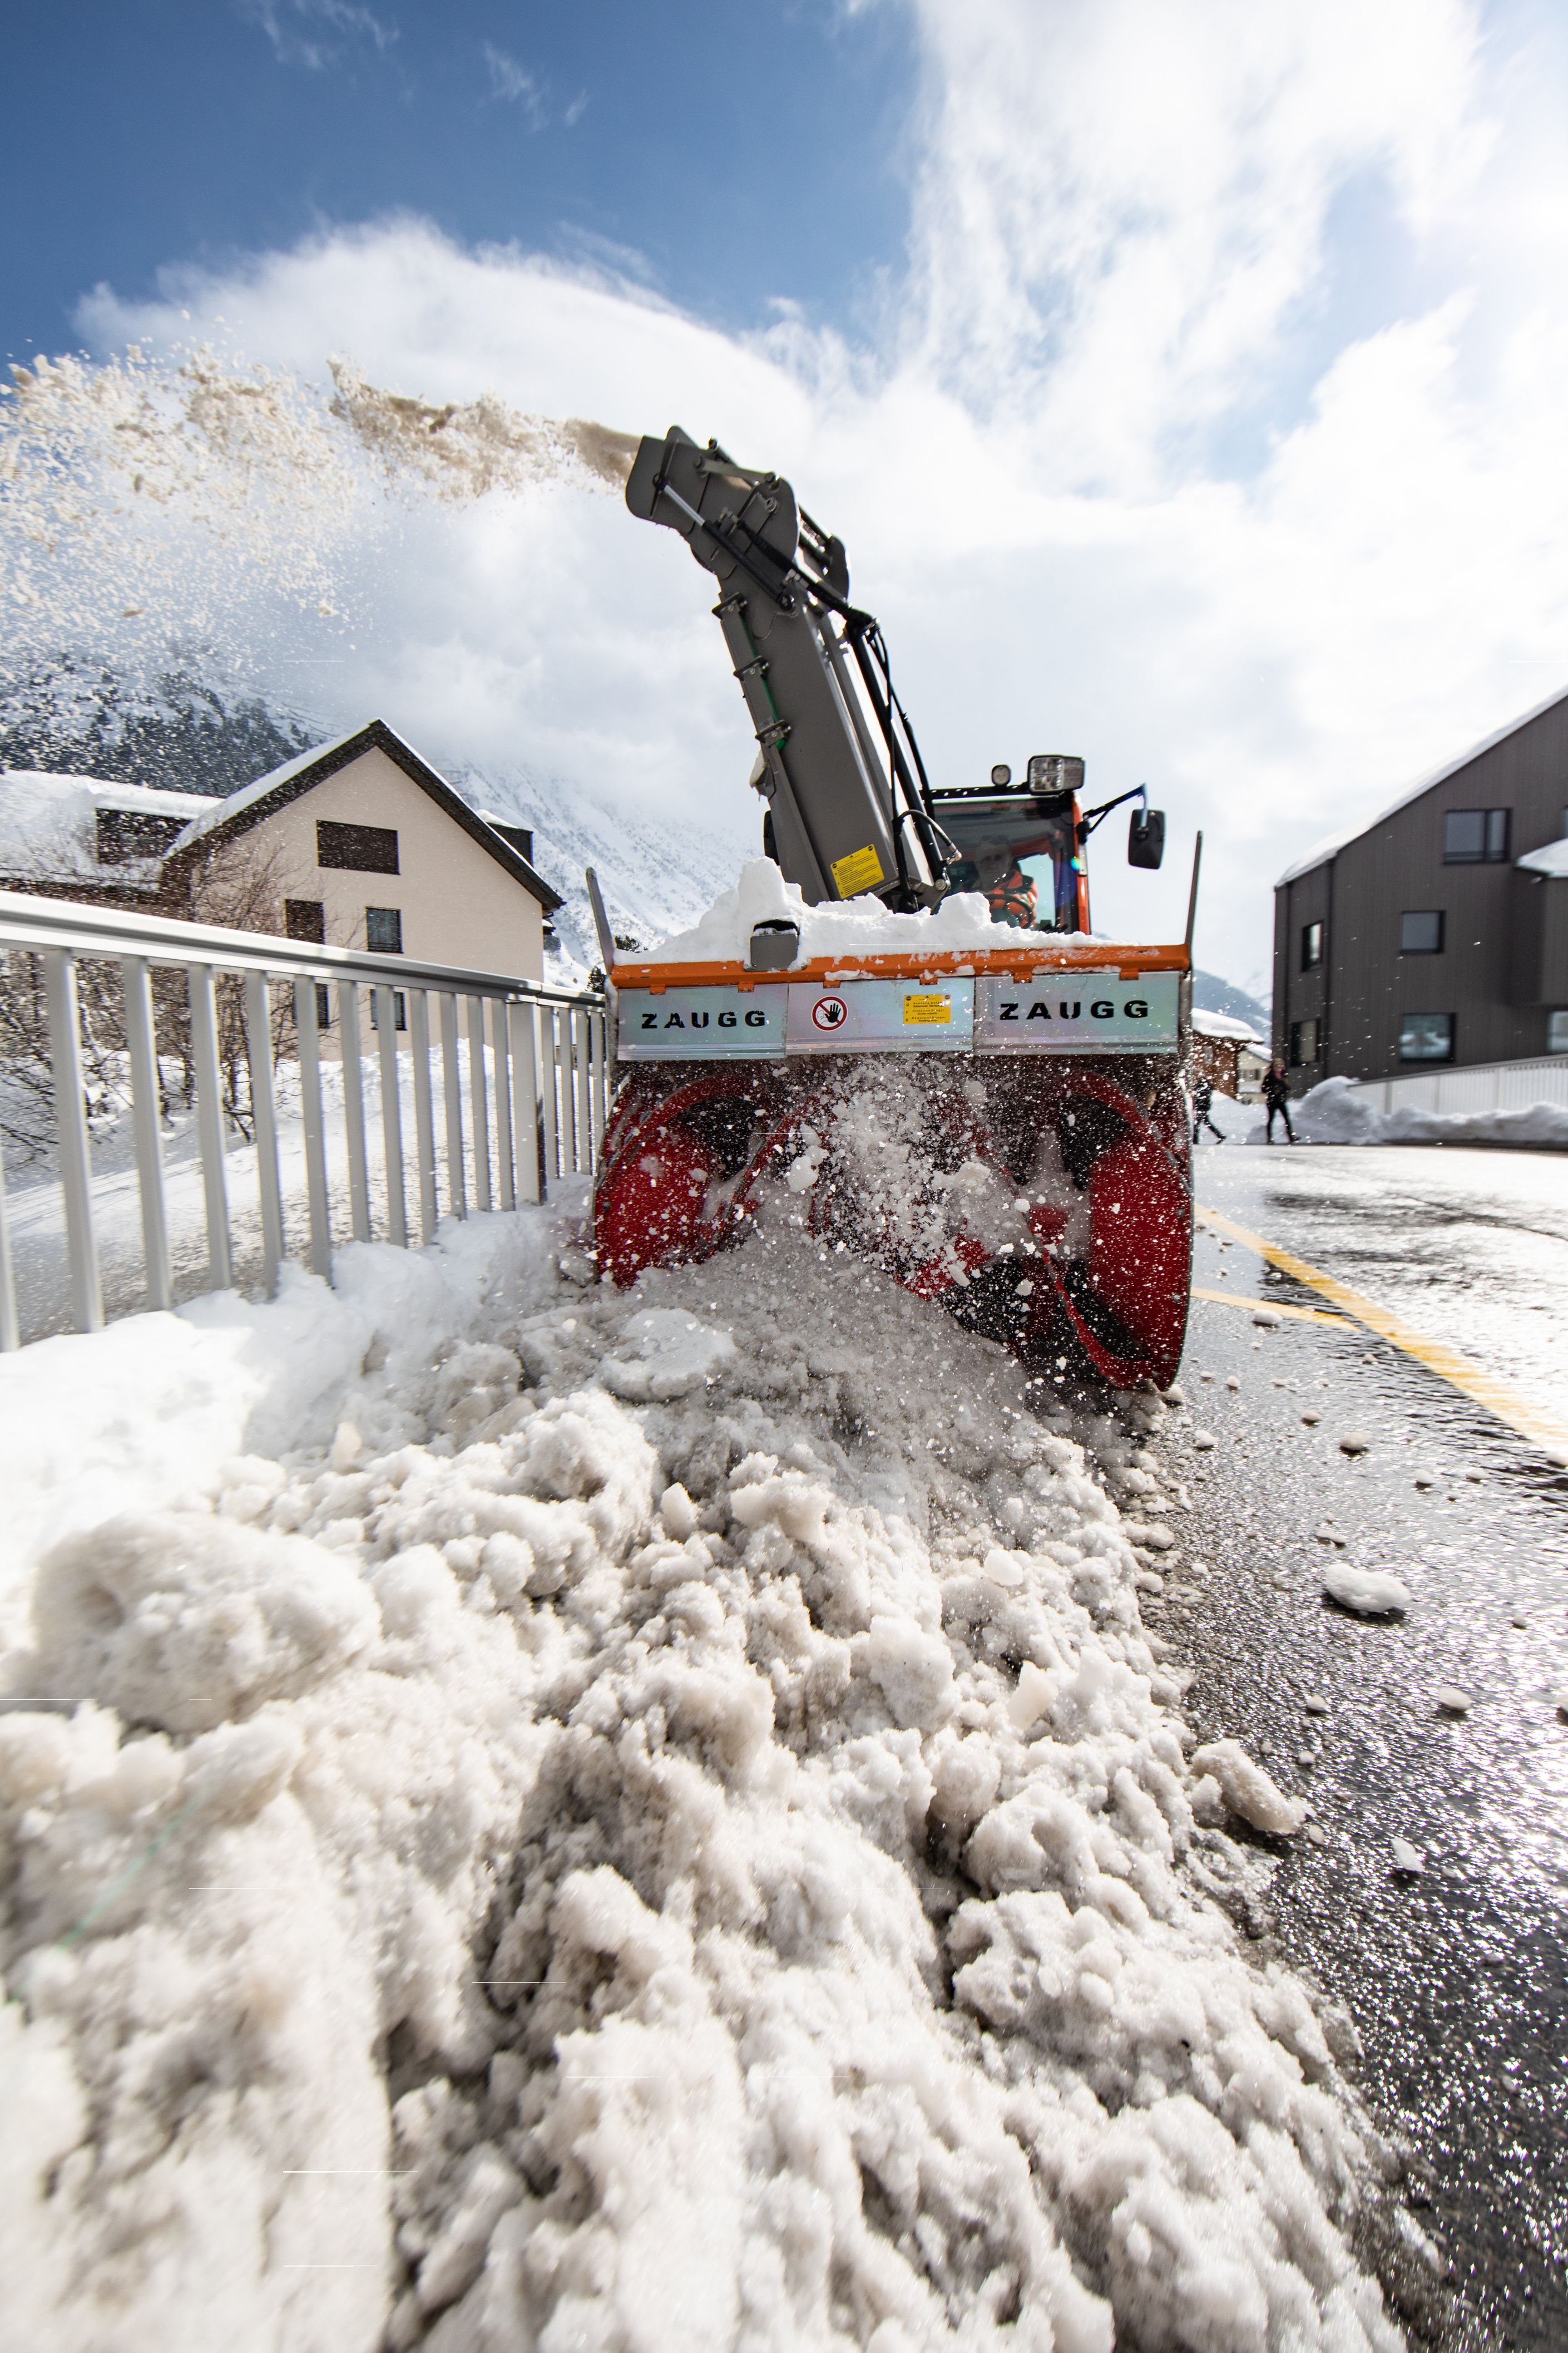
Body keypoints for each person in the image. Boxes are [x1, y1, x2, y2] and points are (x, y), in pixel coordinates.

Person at [1262, 1057, 1295, 1143]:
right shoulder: (1269, 1077)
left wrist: (1281, 1089)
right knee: (1271, 1119)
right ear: (1273, 1067)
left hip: (1281, 1100)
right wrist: (1273, 1090)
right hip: (1272, 1101)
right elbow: (1264, 1089)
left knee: (1286, 1118)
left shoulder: (1283, 1076)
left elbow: (1288, 1088)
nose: (1279, 1067)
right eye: (1277, 1065)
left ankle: (1291, 1136)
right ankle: (1269, 1138)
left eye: (1281, 1065)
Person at [1192, 1076, 1224, 1145]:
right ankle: (1220, 1135)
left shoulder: (1201, 1086)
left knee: (1197, 1124)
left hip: (1202, 1108)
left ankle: (1195, 1140)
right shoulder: (1207, 1086)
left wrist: (1197, 1103)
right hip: (1204, 1107)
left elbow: (1200, 1098)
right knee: (1205, 1122)